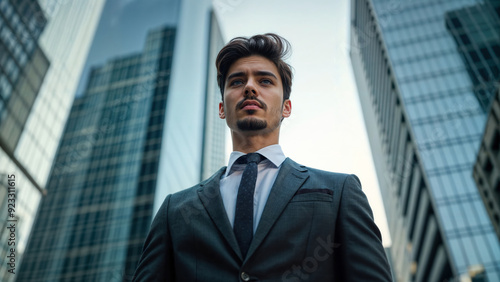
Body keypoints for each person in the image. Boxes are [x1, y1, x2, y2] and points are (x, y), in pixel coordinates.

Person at [133, 33, 392, 281]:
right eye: (236, 82)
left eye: (265, 81)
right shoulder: (174, 210)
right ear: (222, 109)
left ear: (286, 108)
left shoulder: (340, 191)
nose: (249, 88)